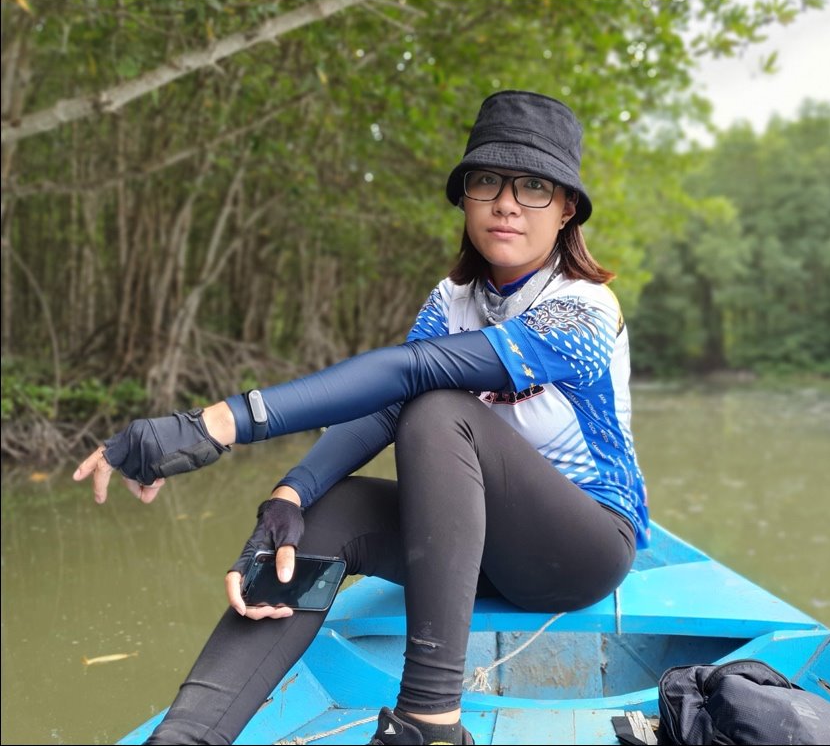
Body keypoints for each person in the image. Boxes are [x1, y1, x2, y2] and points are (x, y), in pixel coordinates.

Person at [73, 89, 649, 745]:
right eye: (487, 180)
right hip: (470, 544)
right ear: (465, 198)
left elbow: (411, 376)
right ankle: (185, 735)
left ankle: (430, 723)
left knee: (439, 411)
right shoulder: (453, 299)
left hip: (582, 547)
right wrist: (290, 493)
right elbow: (382, 407)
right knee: (325, 511)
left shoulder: (585, 309)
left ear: (567, 207)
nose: (507, 202)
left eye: (534, 186)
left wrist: (211, 425)